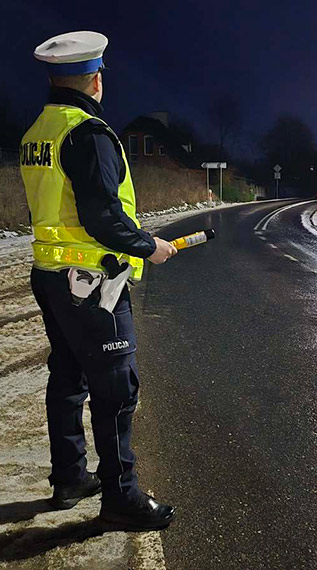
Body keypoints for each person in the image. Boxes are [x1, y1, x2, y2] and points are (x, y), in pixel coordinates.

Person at [20, 31, 177, 531]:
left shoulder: (37, 132)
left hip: (51, 275)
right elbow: (103, 216)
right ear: (95, 79)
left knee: (68, 377)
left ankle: (69, 478)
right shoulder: (87, 133)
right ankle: (121, 498)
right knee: (116, 390)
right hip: (91, 285)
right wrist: (150, 246)